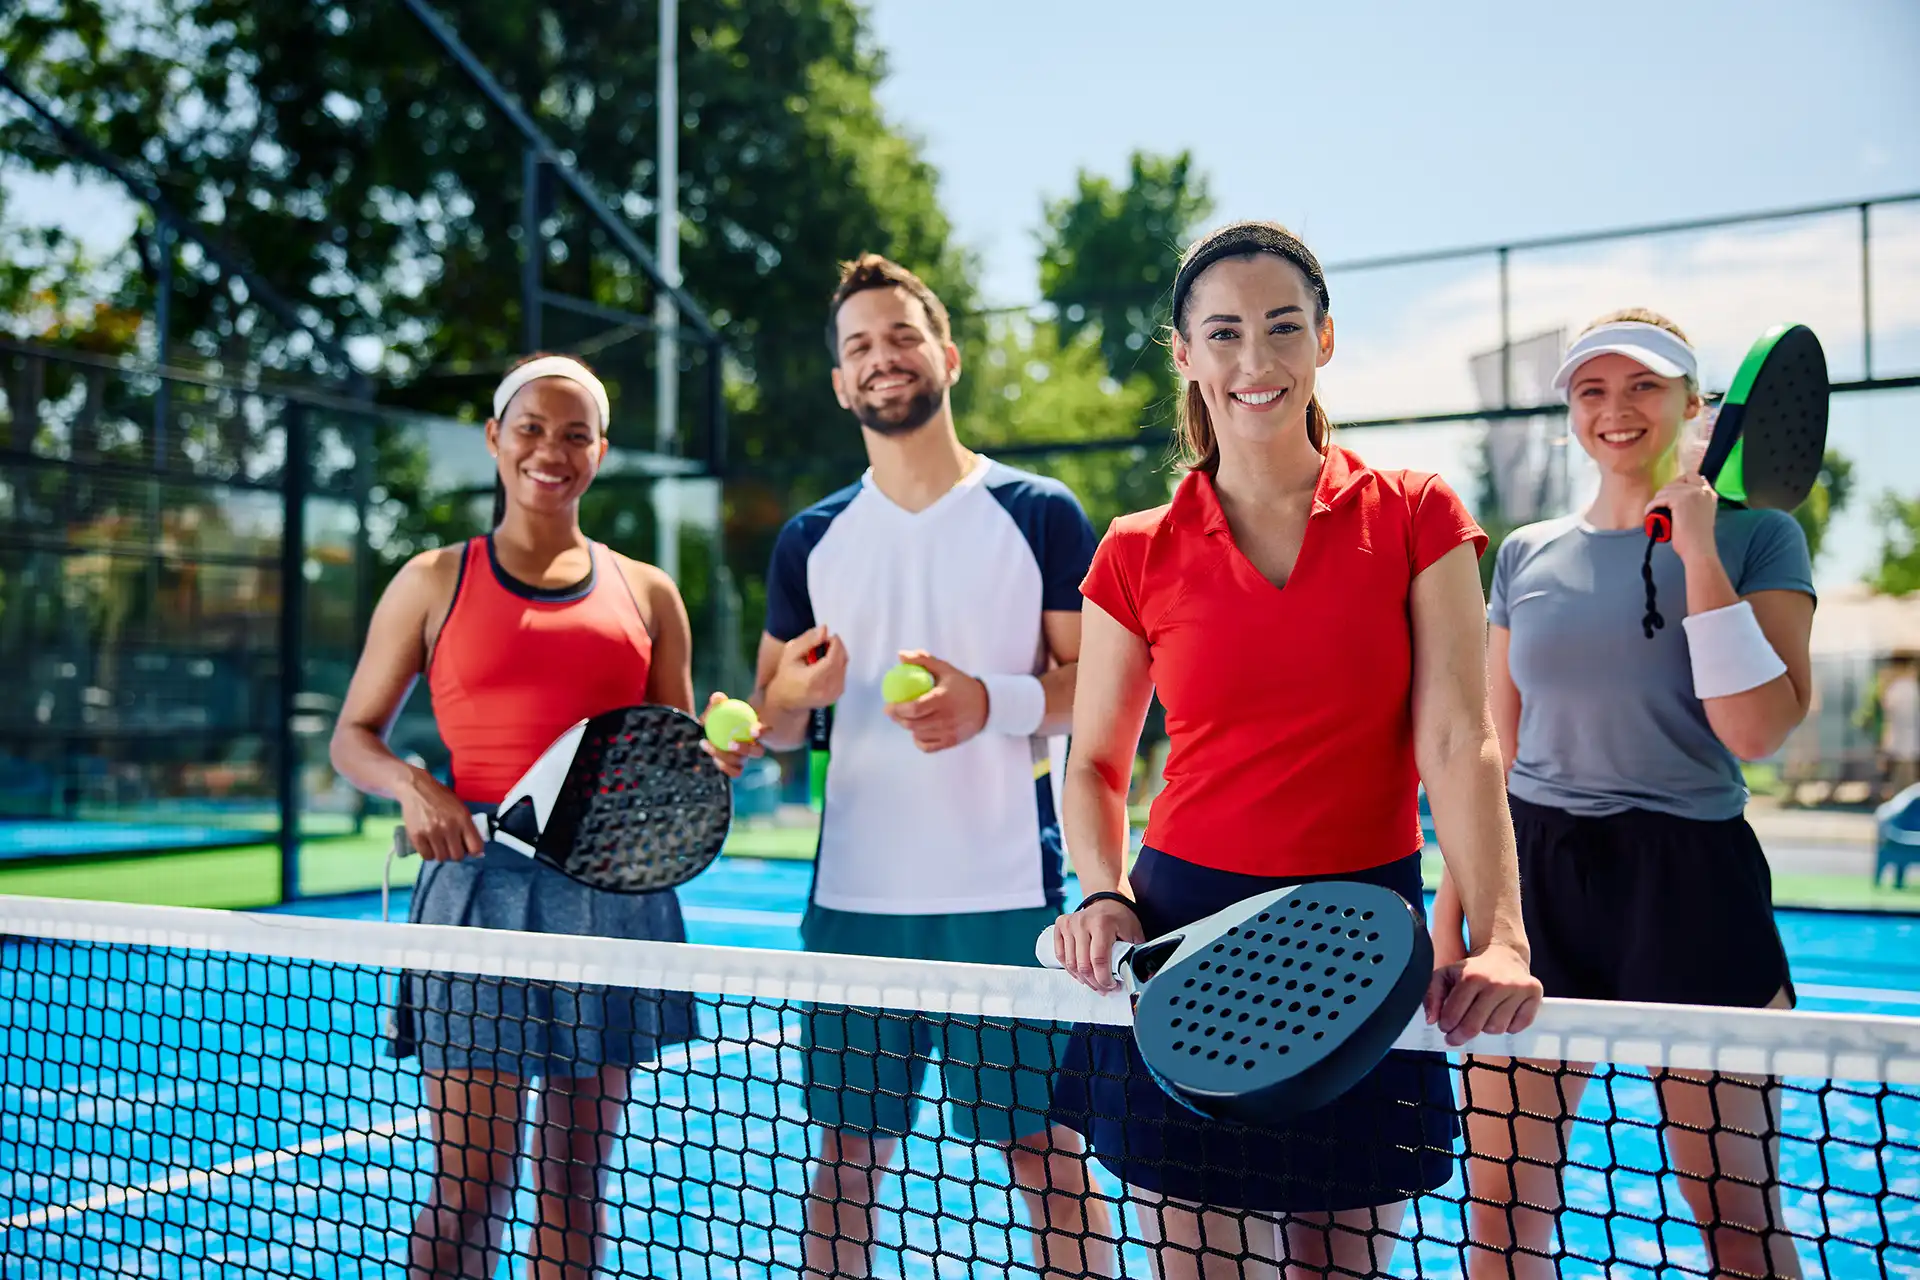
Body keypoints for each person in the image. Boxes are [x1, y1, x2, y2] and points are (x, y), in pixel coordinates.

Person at [1049, 220, 1543, 1280]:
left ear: (1325, 339)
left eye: (1282, 327)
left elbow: (1461, 737)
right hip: (1185, 941)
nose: (1255, 360)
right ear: (1184, 355)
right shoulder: (1135, 548)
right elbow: (1093, 762)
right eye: (1222, 332)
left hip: (1364, 942)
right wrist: (1102, 891)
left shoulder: (1416, 514)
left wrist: (1499, 934)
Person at [330, 353, 749, 1280]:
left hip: (615, 903)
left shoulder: (648, 593)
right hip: (474, 902)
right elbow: (351, 737)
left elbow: (669, 758)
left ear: (600, 451)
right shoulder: (432, 579)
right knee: (469, 1186)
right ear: (494, 438)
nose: (549, 451)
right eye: (530, 428)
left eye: (574, 434)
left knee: (575, 1183)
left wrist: (711, 758)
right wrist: (412, 785)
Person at [738, 254, 1116, 1280]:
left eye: (900, 335)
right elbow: (770, 722)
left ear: (943, 353)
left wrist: (989, 700)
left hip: (1008, 897)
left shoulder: (1039, 510)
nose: (881, 357)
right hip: (854, 902)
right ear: (839, 383)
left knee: (1045, 1155)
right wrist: (787, 705)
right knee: (846, 1158)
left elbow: (1104, 687)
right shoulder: (810, 538)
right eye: (858, 345)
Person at [1437, 309, 1818, 1279]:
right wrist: (1457, 905)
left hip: (1692, 881)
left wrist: (1698, 550)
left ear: (1695, 404)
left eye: (1644, 386)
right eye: (1592, 389)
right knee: (1503, 1212)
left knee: (1737, 1217)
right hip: (1539, 880)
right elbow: (1494, 748)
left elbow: (1758, 732)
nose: (1617, 409)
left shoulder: (1760, 537)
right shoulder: (1524, 555)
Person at [1878, 657, 1920, 802]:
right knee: (1906, 787)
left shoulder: (1898, 689)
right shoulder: (1909, 688)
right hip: (1906, 746)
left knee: (1902, 788)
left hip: (1901, 746)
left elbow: (1890, 719)